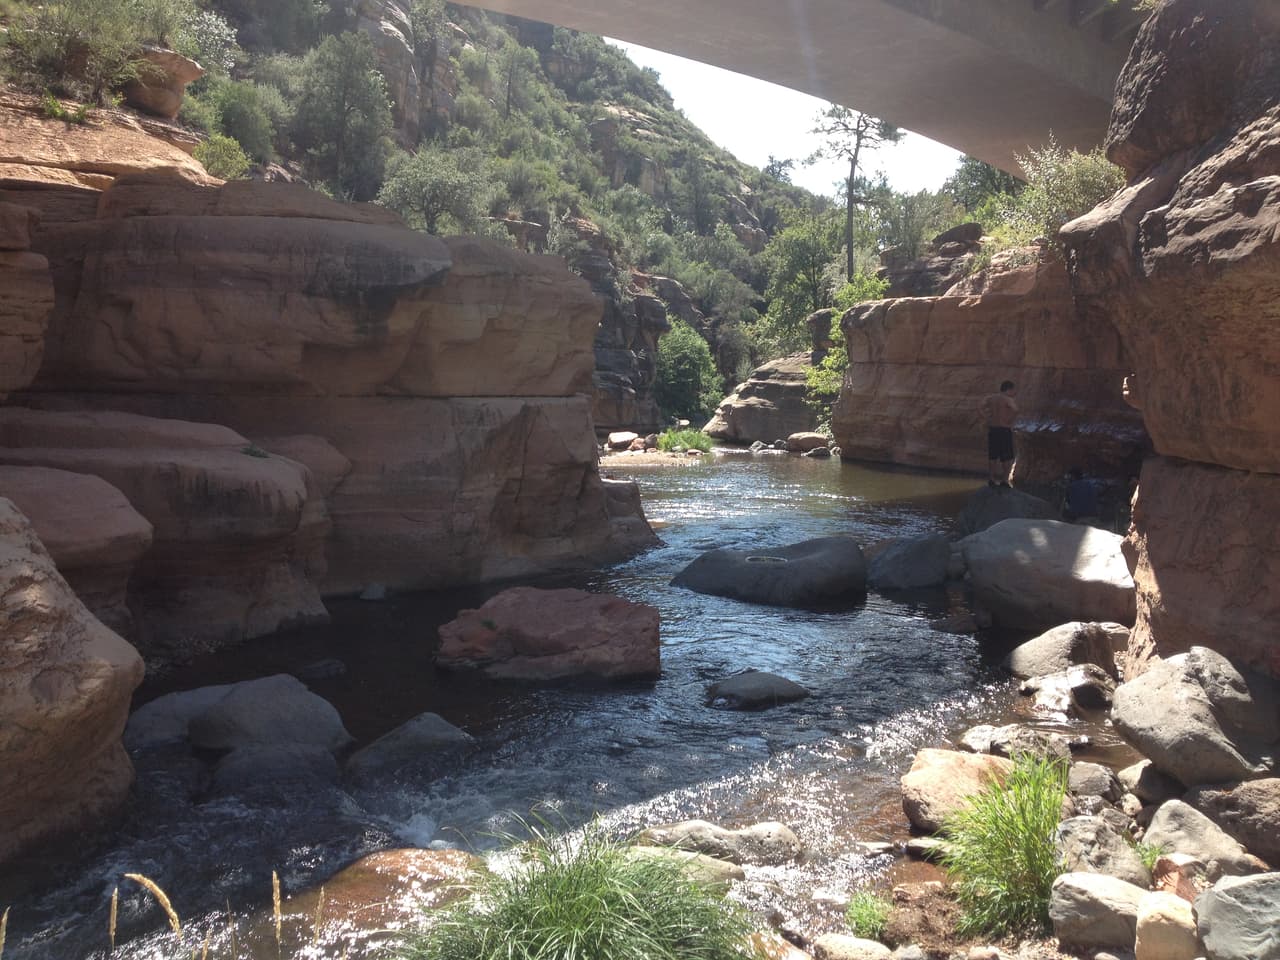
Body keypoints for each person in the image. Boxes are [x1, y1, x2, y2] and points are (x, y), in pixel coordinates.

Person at [983, 380, 1017, 487]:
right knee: (1007, 457)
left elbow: (980, 406)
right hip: (1004, 429)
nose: (1014, 393)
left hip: (993, 429)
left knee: (993, 456)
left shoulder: (991, 398)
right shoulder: (1007, 399)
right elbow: (1015, 410)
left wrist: (986, 418)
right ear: (1009, 389)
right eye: (1013, 390)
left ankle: (991, 479)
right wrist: (1009, 421)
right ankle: (1004, 480)